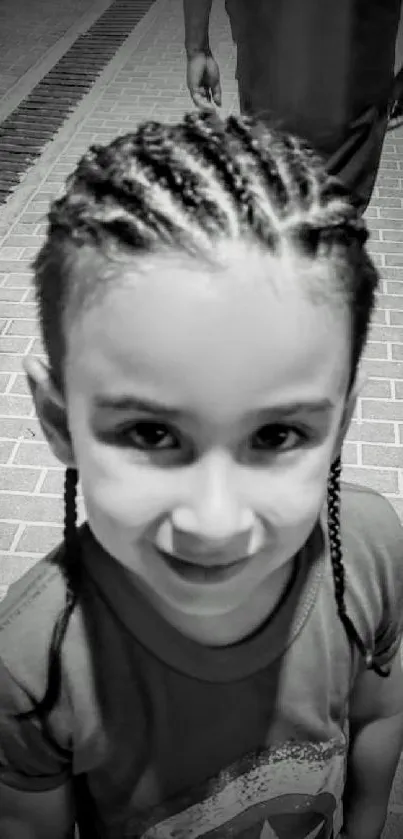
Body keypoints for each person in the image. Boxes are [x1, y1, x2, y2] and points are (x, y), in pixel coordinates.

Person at [1, 111, 403, 839]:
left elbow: (378, 711)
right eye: (150, 433)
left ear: (339, 424)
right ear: (59, 420)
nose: (214, 521)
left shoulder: (369, 550)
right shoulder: (31, 662)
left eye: (277, 434)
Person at [184, 0, 402, 212]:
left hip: (269, 68)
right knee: (336, 206)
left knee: (276, 195)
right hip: (355, 73)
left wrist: (197, 45)